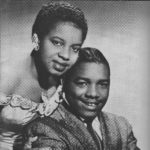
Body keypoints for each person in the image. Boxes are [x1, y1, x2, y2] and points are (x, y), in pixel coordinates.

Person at [0, 2, 88, 150]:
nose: (66, 56)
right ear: (36, 40)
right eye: (57, 43)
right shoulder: (6, 75)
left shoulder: (67, 78)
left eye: (75, 48)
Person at [24, 47, 140, 150]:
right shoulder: (45, 128)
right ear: (63, 83)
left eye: (102, 84)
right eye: (82, 83)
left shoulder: (120, 127)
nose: (93, 93)